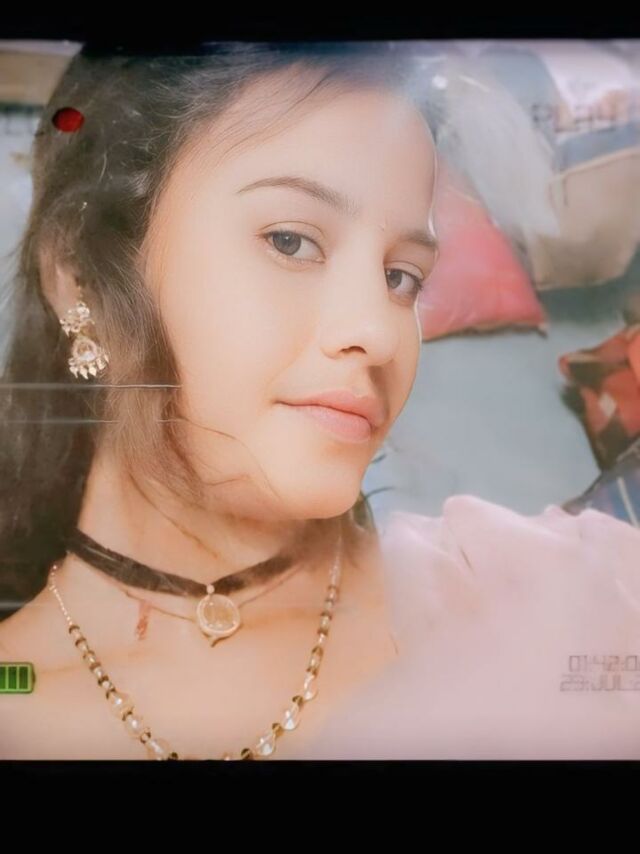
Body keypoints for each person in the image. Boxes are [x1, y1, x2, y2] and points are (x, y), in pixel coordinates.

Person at [0, 41, 639, 761]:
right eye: (291, 241)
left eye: (402, 278)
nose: (380, 332)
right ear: (78, 275)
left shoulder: (554, 594)